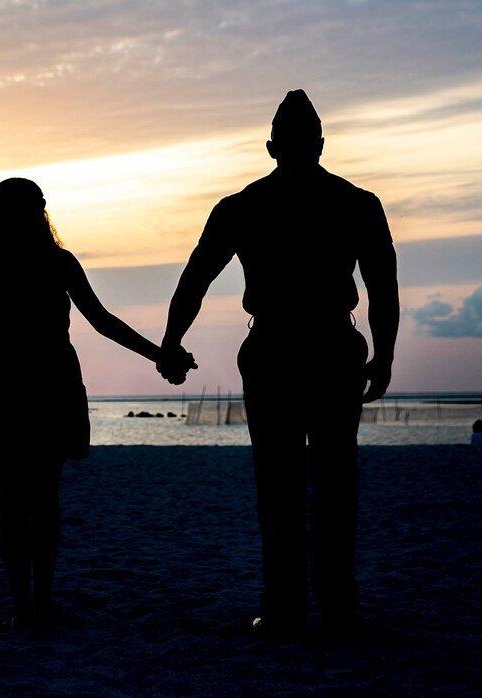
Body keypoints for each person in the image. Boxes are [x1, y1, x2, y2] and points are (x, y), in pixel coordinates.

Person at [0, 178, 194, 629]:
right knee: (43, 499)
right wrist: (160, 355)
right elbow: (102, 322)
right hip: (51, 378)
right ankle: (38, 601)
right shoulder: (53, 262)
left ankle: (24, 605)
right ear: (39, 211)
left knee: (15, 501)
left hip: (13, 378)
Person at [157, 90, 400, 639]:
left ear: (271, 146)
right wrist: (384, 353)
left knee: (280, 483)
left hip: (278, 352)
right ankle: (336, 605)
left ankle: (289, 604)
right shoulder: (356, 203)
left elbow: (195, 279)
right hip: (330, 349)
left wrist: (172, 343)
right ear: (318, 144)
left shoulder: (242, 206)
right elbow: (383, 288)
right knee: (334, 481)